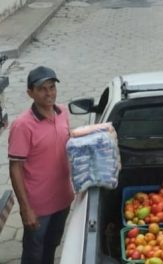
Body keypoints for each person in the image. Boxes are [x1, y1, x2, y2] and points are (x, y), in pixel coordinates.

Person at [8, 66, 74, 264]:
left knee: (52, 246)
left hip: (63, 199)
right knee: (33, 255)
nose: (49, 93)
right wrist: (25, 208)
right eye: (42, 89)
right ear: (30, 93)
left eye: (52, 87)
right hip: (38, 207)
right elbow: (15, 168)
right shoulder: (22, 125)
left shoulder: (62, 112)